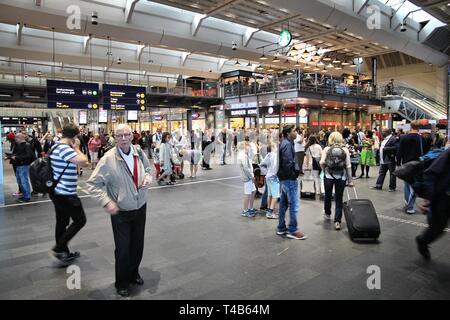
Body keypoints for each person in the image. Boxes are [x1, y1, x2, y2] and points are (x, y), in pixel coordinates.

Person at [87, 124, 152, 297]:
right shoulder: (108, 159)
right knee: (123, 249)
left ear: (132, 136)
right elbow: (92, 185)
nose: (123, 138)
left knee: (137, 246)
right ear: (115, 137)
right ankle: (121, 282)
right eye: (119, 135)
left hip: (140, 207)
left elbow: (148, 168)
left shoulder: (139, 153)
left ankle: (133, 273)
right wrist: (107, 202)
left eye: (126, 135)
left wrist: (148, 176)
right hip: (121, 212)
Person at [48, 124, 89, 264]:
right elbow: (84, 162)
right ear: (74, 136)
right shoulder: (65, 149)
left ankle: (63, 253)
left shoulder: (55, 145)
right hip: (66, 192)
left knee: (62, 221)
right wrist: (77, 147)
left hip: (56, 191)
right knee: (80, 220)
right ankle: (59, 248)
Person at [415, 148, 450, 260]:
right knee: (437, 228)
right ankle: (423, 240)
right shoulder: (447, 154)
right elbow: (430, 173)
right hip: (443, 197)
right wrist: (428, 198)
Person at [276, 125, 307, 240]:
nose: (296, 132)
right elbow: (288, 163)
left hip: (284, 179)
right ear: (288, 133)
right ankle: (293, 230)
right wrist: (294, 175)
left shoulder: (285, 143)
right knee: (293, 205)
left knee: (283, 204)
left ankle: (281, 227)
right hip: (289, 179)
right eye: (294, 131)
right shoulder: (287, 145)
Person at [320, 132, 354, 230]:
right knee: (339, 199)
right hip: (341, 177)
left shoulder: (326, 149)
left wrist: (324, 169)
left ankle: (327, 212)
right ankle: (337, 221)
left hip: (328, 176)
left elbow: (322, 162)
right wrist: (350, 180)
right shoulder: (345, 150)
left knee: (328, 195)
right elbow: (348, 166)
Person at [397, 121, 431, 214]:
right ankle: (409, 205)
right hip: (418, 165)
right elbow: (426, 152)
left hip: (406, 164)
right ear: (419, 127)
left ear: (410, 126)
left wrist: (398, 163)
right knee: (414, 184)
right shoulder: (422, 139)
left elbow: (399, 152)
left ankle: (409, 206)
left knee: (407, 185)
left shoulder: (404, 138)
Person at [9, 133, 34, 203]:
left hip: (24, 166)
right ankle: (25, 195)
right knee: (20, 181)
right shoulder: (20, 145)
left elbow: (28, 156)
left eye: (16, 138)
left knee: (23, 182)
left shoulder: (27, 145)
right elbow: (20, 154)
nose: (15, 140)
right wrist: (10, 157)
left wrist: (16, 157)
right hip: (19, 165)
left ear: (19, 138)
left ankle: (27, 197)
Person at [259, 143, 279, 219]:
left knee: (270, 195)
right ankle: (270, 213)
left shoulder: (268, 155)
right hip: (273, 177)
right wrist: (275, 174)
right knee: (275, 196)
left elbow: (261, 164)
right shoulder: (274, 155)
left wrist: (267, 172)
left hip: (268, 177)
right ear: (273, 148)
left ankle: (269, 210)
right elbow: (275, 166)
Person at [238, 141, 257, 218]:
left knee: (253, 191)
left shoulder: (245, 155)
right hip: (247, 177)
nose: (250, 148)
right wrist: (252, 176)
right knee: (247, 193)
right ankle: (245, 211)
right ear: (245, 146)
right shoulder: (243, 156)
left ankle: (250, 208)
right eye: (248, 146)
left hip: (248, 176)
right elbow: (246, 168)